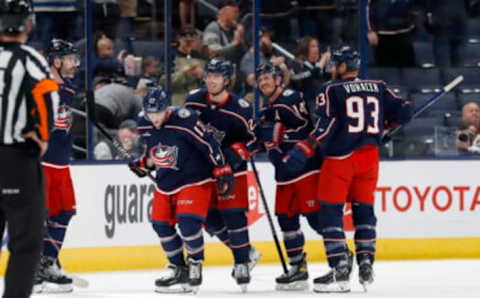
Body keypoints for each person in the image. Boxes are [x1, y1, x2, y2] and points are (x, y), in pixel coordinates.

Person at [284, 46, 412, 292]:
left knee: (330, 212)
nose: (332, 68)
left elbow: (326, 126)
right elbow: (404, 112)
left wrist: (303, 149)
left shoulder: (331, 89)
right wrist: (384, 127)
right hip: (370, 159)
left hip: (341, 159)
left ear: (343, 65)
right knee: (364, 211)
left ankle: (339, 269)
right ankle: (366, 263)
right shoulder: (378, 86)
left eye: (335, 64)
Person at [129, 87, 235, 294]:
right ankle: (179, 268)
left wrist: (222, 169)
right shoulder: (143, 123)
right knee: (160, 225)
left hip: (194, 179)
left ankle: (195, 263)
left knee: (187, 221)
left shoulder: (186, 119)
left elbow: (209, 143)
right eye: (150, 113)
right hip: (166, 182)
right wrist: (143, 164)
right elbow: (153, 152)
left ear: (167, 107)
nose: (154, 118)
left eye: (158, 112)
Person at [183, 57, 260, 292]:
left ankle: (241, 263)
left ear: (227, 80)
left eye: (216, 77)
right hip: (201, 171)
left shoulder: (240, 108)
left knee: (235, 216)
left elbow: (256, 140)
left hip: (231, 171)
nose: (211, 80)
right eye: (209, 75)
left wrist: (237, 153)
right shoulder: (194, 100)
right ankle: (247, 251)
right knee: (205, 216)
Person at [0, 1, 59, 297]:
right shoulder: (30, 60)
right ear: (28, 25)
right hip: (15, 161)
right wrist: (42, 136)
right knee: (25, 242)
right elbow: (48, 97)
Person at [255, 62, 324, 291]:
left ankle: (341, 254)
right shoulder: (266, 110)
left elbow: (310, 127)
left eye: (268, 77)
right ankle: (298, 268)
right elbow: (266, 140)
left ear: (278, 80)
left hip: (305, 169)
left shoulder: (293, 97)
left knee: (316, 219)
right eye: (261, 79)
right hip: (283, 175)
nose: (263, 82)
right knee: (286, 220)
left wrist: (280, 134)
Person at [32, 39, 79, 293]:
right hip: (41, 164)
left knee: (64, 213)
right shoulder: (39, 88)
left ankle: (48, 262)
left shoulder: (70, 90)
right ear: (56, 61)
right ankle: (33, 268)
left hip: (62, 164)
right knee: (40, 216)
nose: (74, 64)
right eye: (70, 59)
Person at [367, 0, 416, 67]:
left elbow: (413, 15)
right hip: (383, 37)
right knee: (384, 65)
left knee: (406, 63)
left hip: (402, 37)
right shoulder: (376, 3)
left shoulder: (406, 3)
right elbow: (371, 16)